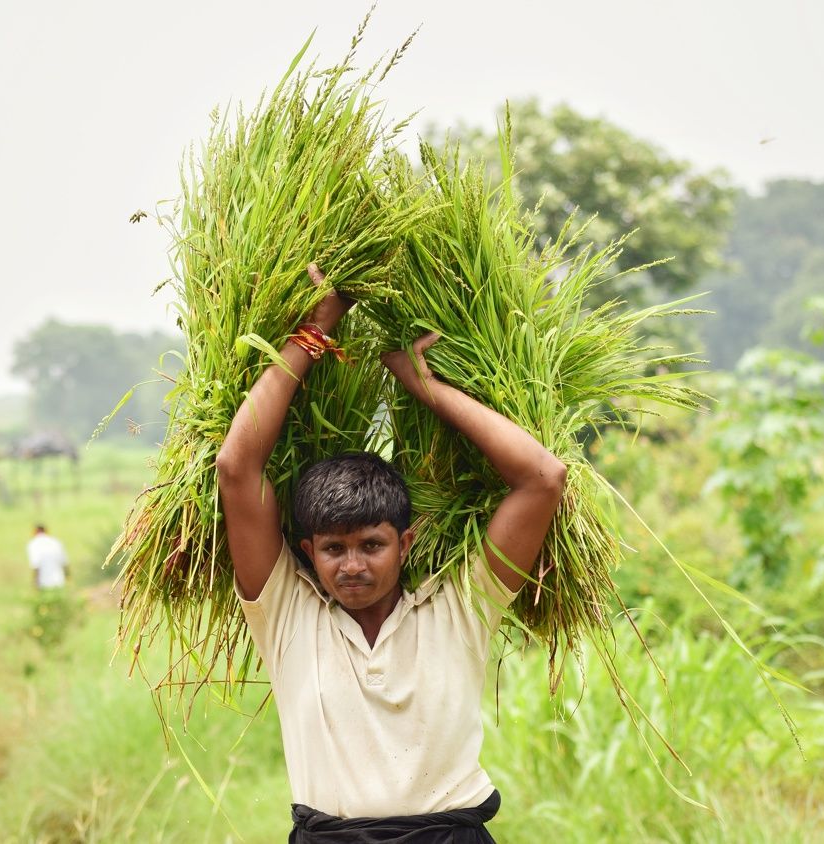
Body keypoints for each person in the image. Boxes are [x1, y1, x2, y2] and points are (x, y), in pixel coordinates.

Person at [216, 264, 567, 842]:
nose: (352, 565)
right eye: (333, 548)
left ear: (404, 543)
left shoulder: (461, 607)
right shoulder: (285, 612)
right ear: (307, 550)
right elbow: (237, 467)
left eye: (371, 545)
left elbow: (542, 478)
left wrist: (424, 387)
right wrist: (316, 330)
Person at [26, 524, 69, 589]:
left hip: (43, 583)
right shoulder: (55, 542)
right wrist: (68, 579)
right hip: (60, 582)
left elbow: (36, 565)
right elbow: (64, 563)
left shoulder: (33, 544)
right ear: (46, 531)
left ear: (35, 532)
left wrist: (35, 583)